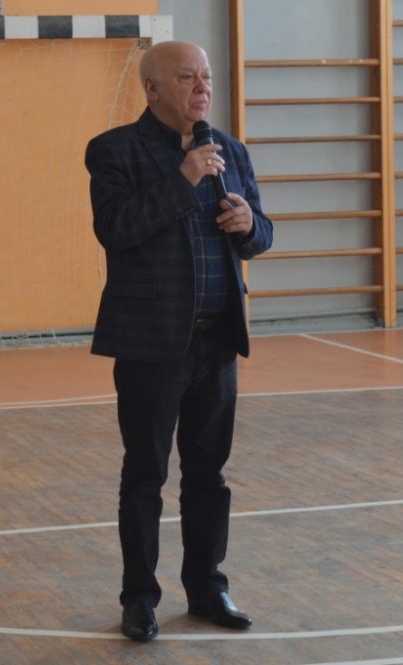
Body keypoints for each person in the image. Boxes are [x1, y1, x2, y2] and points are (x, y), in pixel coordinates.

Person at [84, 40, 273, 642]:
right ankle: (139, 598)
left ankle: (207, 588)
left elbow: (262, 234)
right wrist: (183, 177)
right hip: (151, 347)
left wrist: (250, 226)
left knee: (209, 476)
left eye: (206, 77)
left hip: (217, 344)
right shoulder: (114, 150)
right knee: (145, 476)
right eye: (188, 77)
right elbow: (116, 230)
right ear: (153, 88)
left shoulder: (230, 151)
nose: (202, 88)